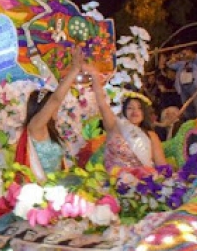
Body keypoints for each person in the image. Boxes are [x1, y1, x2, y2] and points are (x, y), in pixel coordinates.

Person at [17, 46, 84, 183]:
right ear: (43, 107)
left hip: (56, 189)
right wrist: (75, 70)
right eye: (53, 107)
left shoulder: (50, 129)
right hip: (39, 192)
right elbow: (56, 99)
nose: (57, 109)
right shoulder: (36, 126)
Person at [85, 64, 167, 170]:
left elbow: (161, 164)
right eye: (130, 108)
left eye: (139, 108)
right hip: (114, 183)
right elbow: (102, 104)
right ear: (124, 112)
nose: (135, 111)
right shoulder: (114, 126)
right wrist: (95, 75)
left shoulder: (151, 136)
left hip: (143, 182)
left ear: (144, 113)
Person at [166, 47, 197, 119]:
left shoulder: (196, 62)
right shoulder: (181, 64)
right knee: (186, 106)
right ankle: (189, 120)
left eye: (185, 52)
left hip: (193, 85)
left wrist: (190, 55)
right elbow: (169, 64)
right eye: (182, 53)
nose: (184, 54)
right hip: (183, 87)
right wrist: (175, 58)